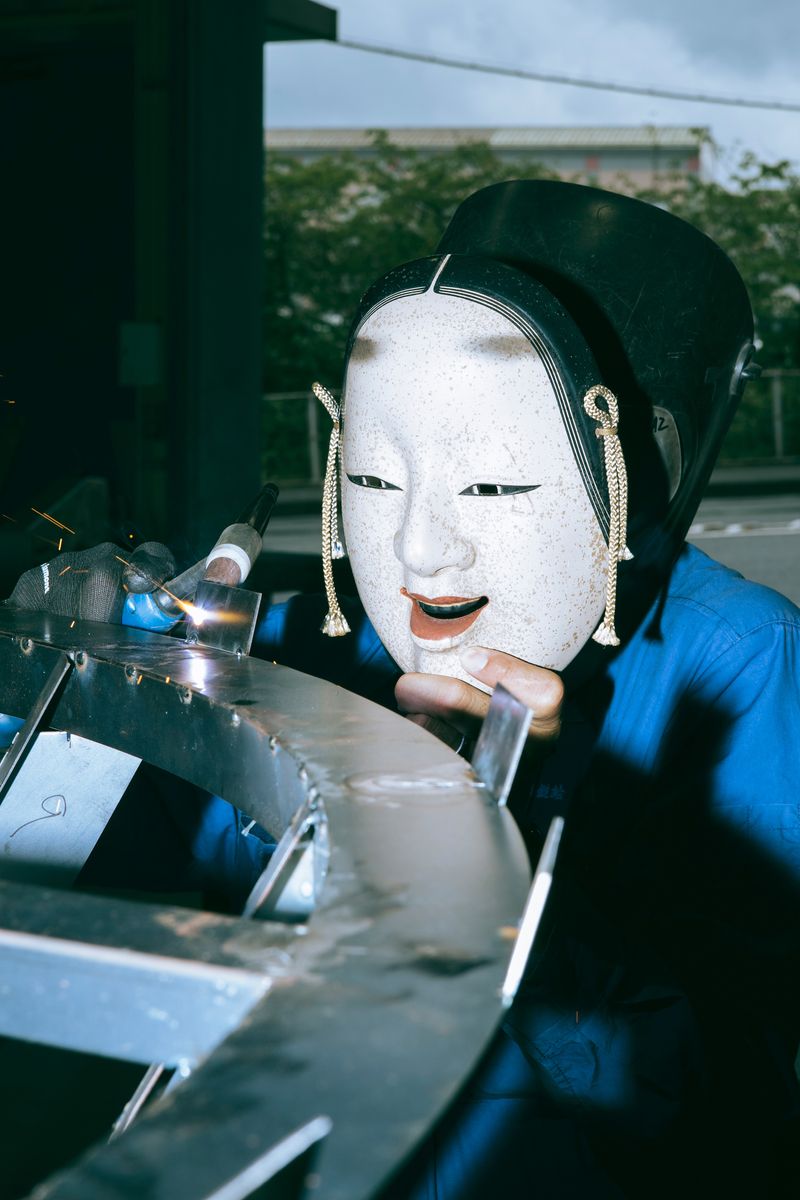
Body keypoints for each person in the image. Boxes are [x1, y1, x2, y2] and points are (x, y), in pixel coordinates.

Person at [4, 180, 799, 1196]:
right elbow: (101, 852)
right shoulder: (332, 632)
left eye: (499, 482)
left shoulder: (733, 659)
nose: (419, 550)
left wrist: (502, 878)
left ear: (634, 455)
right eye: (375, 479)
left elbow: (727, 1090)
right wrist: (74, 690)